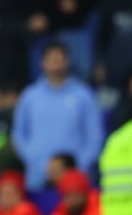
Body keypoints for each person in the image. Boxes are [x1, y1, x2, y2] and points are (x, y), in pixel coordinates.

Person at [12, 42, 104, 190]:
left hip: (73, 176)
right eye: (52, 60)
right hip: (36, 175)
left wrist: (77, 166)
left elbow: (94, 137)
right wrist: (34, 162)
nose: (56, 65)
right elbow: (19, 134)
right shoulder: (29, 96)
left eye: (60, 60)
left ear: (68, 62)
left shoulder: (84, 96)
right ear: (42, 63)